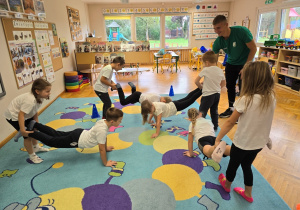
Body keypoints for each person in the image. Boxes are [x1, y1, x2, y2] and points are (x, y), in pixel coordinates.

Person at [214, 61, 276, 203]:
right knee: (247, 165)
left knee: (233, 165)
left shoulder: (246, 100)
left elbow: (229, 122)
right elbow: (266, 121)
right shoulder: (271, 98)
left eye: (243, 76)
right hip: (258, 143)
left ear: (250, 80)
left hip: (242, 143)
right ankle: (248, 193)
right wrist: (267, 138)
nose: (241, 78)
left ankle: (227, 185)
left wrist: (218, 138)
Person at [26, 107, 123, 167]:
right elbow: (101, 149)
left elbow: (103, 141)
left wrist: (106, 148)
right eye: (119, 121)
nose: (120, 122)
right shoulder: (103, 130)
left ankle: (36, 124)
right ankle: (29, 133)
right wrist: (105, 163)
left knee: (56, 134)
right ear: (112, 122)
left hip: (79, 132)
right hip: (77, 140)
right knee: (52, 141)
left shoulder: (103, 121)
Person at [212, 15, 257, 118]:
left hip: (246, 63)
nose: (216, 31)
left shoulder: (241, 31)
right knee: (230, 86)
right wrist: (212, 73)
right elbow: (214, 59)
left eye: (218, 28)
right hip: (231, 63)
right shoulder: (219, 41)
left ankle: (241, 112)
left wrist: (246, 66)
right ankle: (231, 108)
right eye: (214, 28)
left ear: (226, 25)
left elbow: (253, 48)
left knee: (243, 89)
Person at [4, 78, 51, 164]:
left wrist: (36, 123)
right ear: (37, 91)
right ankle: (32, 156)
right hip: (14, 116)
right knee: (28, 135)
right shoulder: (30, 100)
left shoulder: (40, 97)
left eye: (49, 91)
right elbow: (20, 115)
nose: (49, 93)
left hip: (25, 114)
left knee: (33, 129)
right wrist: (23, 130)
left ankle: (36, 147)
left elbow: (34, 110)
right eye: (47, 91)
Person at [195, 51, 226, 131]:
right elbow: (223, 83)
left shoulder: (206, 70)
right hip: (217, 95)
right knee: (214, 111)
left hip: (207, 96)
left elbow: (196, 81)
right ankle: (215, 127)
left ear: (207, 63)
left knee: (202, 111)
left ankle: (199, 127)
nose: (204, 65)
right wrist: (218, 88)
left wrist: (201, 87)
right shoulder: (220, 70)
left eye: (204, 63)